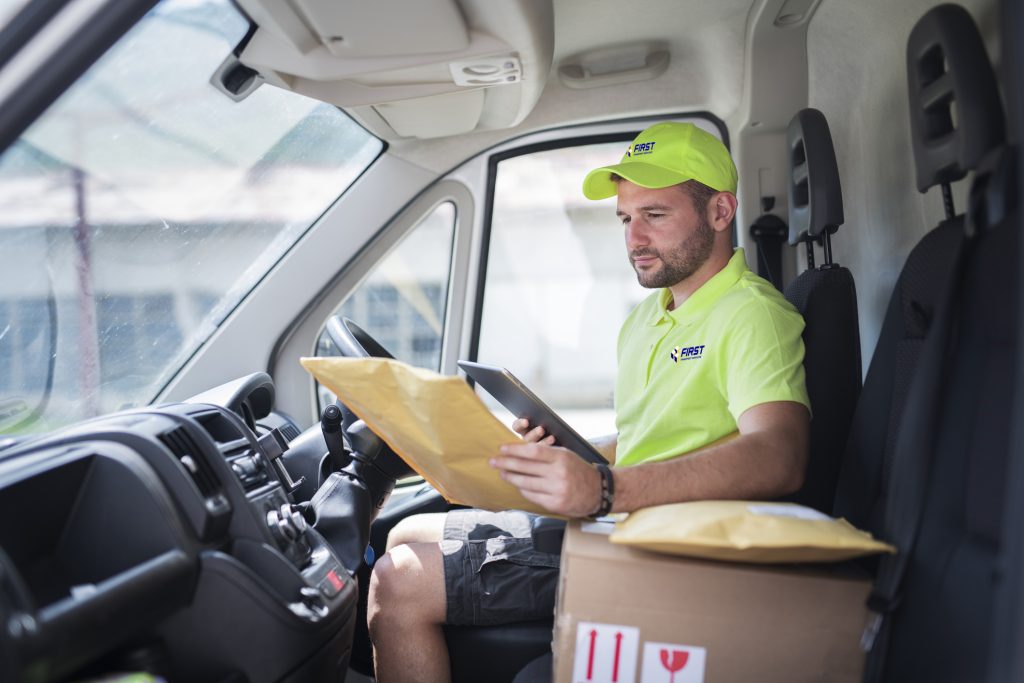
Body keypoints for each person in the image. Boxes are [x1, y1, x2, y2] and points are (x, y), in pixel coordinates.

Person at [366, 121, 811, 683]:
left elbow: (779, 454)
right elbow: (649, 441)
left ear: (721, 212)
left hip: (669, 548)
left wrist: (603, 489)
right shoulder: (647, 318)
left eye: (655, 215)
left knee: (397, 579)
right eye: (626, 219)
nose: (634, 239)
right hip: (622, 518)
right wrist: (561, 458)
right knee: (403, 532)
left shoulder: (753, 315)